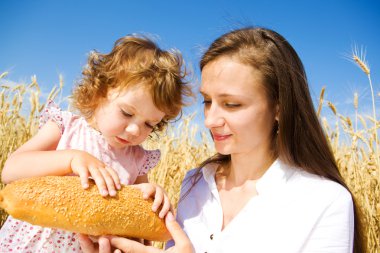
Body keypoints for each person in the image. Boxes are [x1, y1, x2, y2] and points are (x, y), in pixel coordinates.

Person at [80, 27, 363, 253]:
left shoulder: (326, 202)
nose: (210, 120)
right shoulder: (194, 184)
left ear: (279, 107)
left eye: (231, 104)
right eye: (207, 101)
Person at [0, 35, 193, 252]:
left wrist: (150, 194)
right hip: (33, 243)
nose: (134, 130)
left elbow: (132, 212)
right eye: (127, 113)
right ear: (99, 92)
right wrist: (71, 158)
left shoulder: (138, 159)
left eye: (149, 124)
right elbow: (10, 170)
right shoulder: (66, 127)